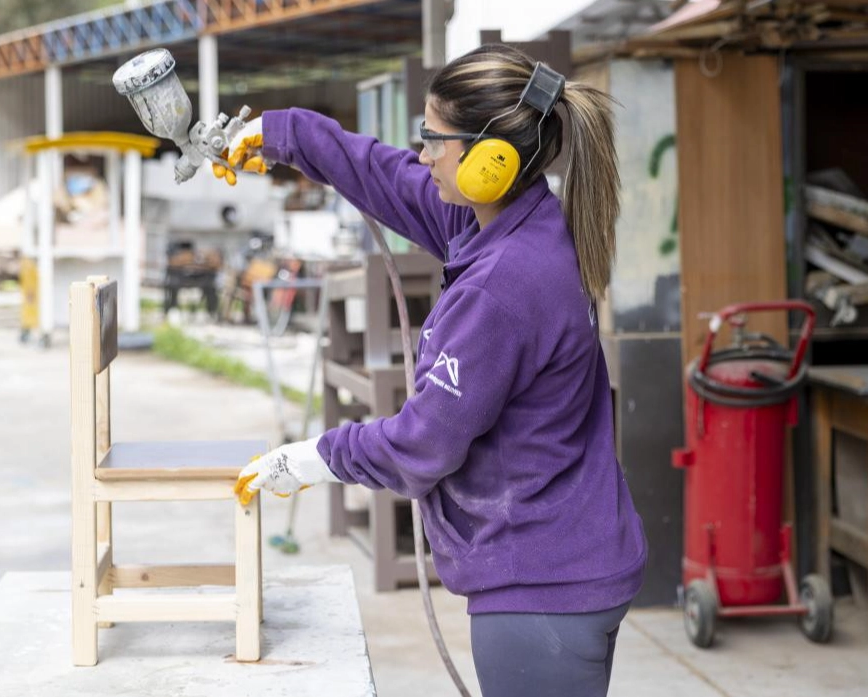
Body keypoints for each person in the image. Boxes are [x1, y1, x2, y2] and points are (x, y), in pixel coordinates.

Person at [224, 44, 647, 697]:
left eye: (433, 140)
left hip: (542, 594)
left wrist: (314, 457)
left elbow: (423, 445)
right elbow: (389, 175)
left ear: (490, 160)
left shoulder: (502, 286)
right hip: (566, 561)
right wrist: (286, 135)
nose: (422, 155)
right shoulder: (508, 220)